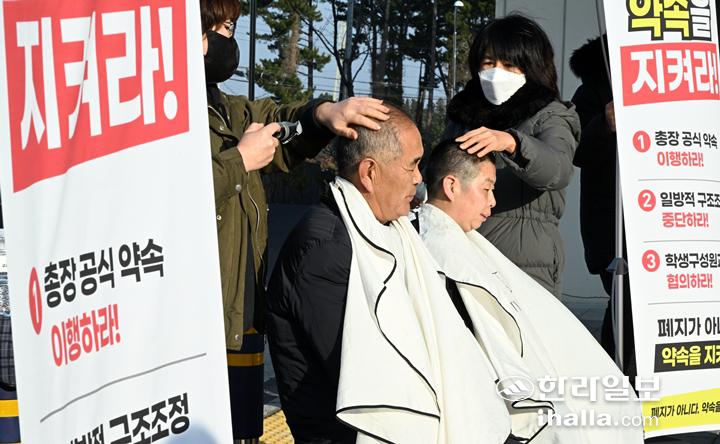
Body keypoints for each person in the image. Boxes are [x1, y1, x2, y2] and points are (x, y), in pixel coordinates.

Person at [266, 106, 529, 443]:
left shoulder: (378, 230)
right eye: (412, 165)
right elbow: (369, 371)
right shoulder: (325, 249)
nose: (419, 178)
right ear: (369, 173)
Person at [199, 0, 390, 441]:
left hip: (240, 317)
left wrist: (323, 115)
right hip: (194, 323)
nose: (228, 40)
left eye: (232, 27)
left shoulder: (227, 110)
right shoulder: (158, 118)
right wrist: (239, 161)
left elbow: (279, 123)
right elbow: (166, 196)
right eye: (221, 27)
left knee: (238, 428)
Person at [415, 140, 644, 443]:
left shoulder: (456, 245)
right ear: (452, 186)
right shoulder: (437, 252)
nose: (493, 202)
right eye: (486, 189)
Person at [444, 14, 581, 299]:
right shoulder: (463, 114)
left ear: (532, 65)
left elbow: (558, 169)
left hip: (525, 256)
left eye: (509, 64)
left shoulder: (551, 114)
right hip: (462, 250)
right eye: (488, 63)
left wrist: (512, 142)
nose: (496, 73)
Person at [569, 35, 635, 376]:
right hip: (613, 227)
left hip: (664, 220)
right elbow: (577, 151)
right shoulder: (592, 92)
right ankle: (615, 382)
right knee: (626, 303)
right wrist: (605, 124)